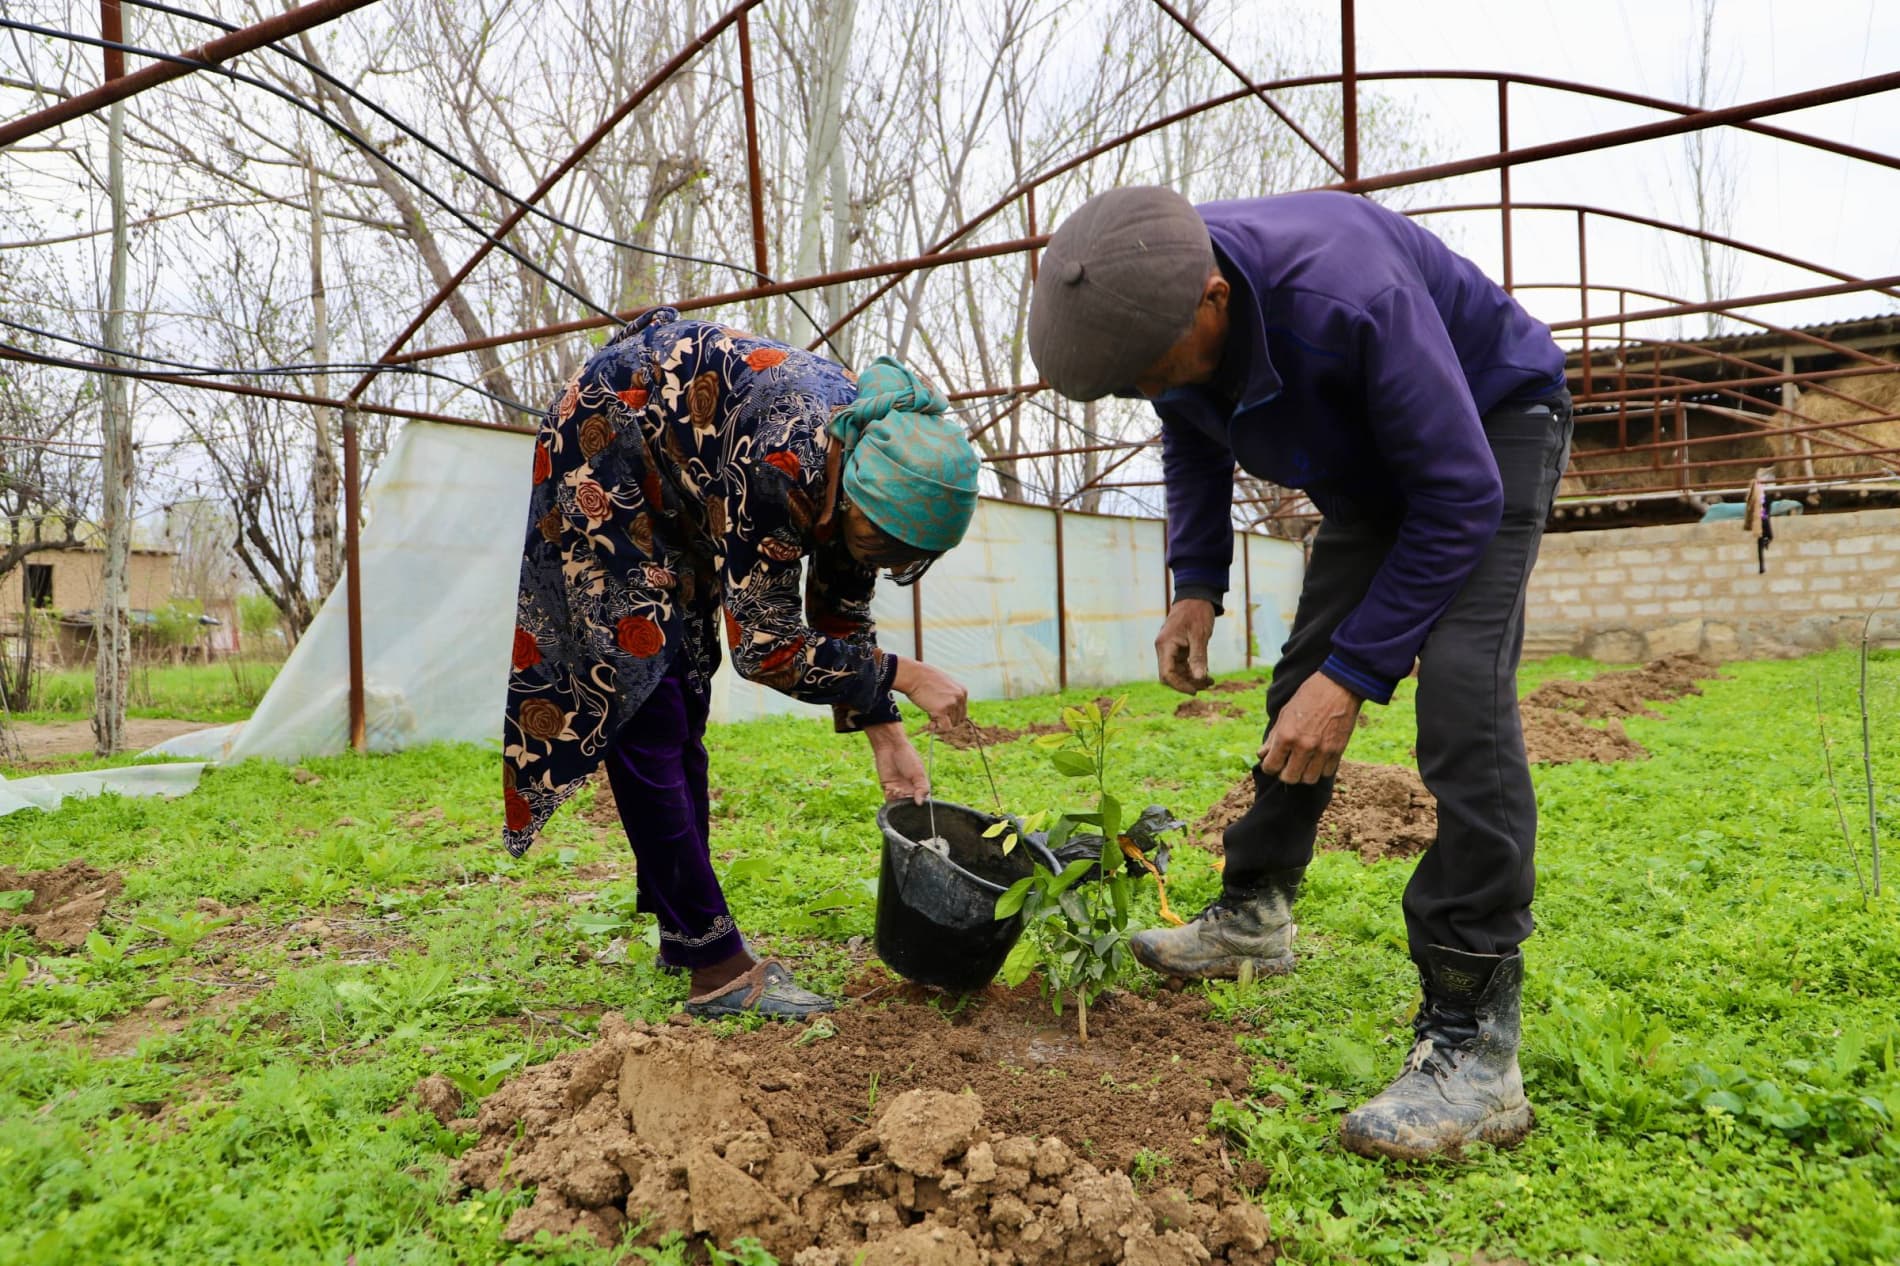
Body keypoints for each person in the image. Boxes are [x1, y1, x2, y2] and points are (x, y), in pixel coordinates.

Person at [1026, 187, 1573, 1161]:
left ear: (1213, 297)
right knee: (1298, 686)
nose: (1153, 387)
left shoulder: (1343, 297)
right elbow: (1188, 426)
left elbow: (1457, 495)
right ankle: (1254, 916)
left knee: (1459, 699)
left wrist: (1357, 674)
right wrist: (1196, 582)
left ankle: (1477, 1049)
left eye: (1157, 368)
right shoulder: (1166, 312)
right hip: (1369, 468)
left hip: (1488, 432)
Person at [503, 307, 977, 1020]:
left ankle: (683, 926)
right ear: (851, 493)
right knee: (646, 699)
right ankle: (714, 966)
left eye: (900, 556)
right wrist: (907, 677)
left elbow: (840, 615)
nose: (884, 561)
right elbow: (768, 647)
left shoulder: (864, 460)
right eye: (878, 542)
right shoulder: (786, 456)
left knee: (685, 691)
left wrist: (890, 736)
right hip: (606, 450)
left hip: (682, 489)